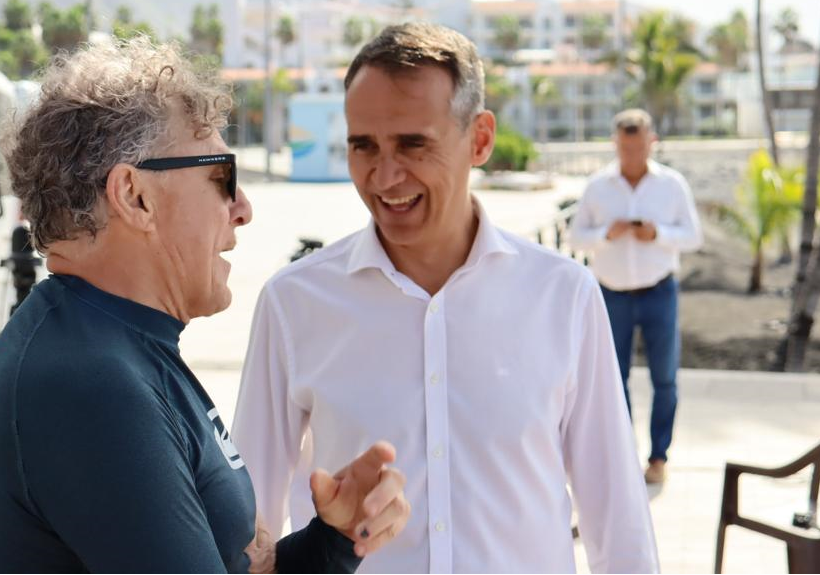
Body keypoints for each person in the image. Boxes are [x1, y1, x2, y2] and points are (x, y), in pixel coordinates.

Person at [0, 38, 409, 573]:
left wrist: (332, 541)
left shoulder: (114, 342)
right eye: (222, 176)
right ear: (134, 196)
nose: (243, 208)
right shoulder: (89, 385)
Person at [233, 23, 658, 573]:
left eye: (413, 143)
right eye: (363, 146)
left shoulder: (564, 295)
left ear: (479, 139)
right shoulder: (292, 303)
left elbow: (616, 513)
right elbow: (248, 524)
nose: (385, 176)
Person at [570, 109, 703, 484]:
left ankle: (658, 458)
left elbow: (694, 236)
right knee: (613, 379)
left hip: (660, 291)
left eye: (639, 147)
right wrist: (606, 236)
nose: (632, 155)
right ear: (615, 144)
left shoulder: (672, 185)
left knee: (665, 378)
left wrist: (657, 233)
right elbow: (575, 237)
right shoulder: (596, 187)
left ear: (652, 143)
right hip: (610, 295)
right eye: (625, 148)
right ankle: (623, 456)